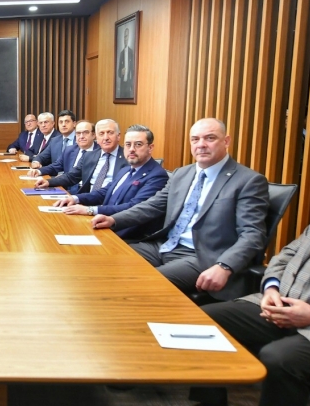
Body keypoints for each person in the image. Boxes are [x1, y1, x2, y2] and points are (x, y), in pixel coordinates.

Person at [194, 153, 310, 406]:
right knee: (205, 320)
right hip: (279, 305)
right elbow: (287, 254)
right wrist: (271, 287)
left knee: (278, 358)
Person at [91, 118, 269, 300]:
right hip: (163, 246)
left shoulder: (248, 181)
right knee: (105, 260)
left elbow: (252, 234)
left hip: (201, 256)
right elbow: (152, 205)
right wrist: (114, 219)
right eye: (195, 139)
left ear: (226, 141)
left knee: (142, 283)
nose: (201, 145)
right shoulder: (182, 173)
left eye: (210, 138)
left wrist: (224, 266)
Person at [53, 125, 169, 241]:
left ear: (150, 148)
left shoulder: (157, 175)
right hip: (103, 224)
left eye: (138, 144)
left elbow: (133, 207)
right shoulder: (126, 169)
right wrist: (75, 198)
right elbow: (104, 192)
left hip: (124, 234)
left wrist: (90, 210)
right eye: (128, 144)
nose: (132, 149)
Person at [35, 118, 127, 195]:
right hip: (86, 200)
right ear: (97, 137)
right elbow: (72, 176)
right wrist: (48, 182)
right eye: (101, 134)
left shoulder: (127, 158)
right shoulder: (90, 155)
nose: (106, 137)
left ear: (118, 136)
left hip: (109, 205)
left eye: (110, 133)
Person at [27, 120, 100, 193]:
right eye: (78, 133)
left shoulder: (100, 153)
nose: (81, 136)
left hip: (87, 193)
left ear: (93, 135)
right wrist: (38, 171)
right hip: (67, 188)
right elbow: (56, 166)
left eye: (85, 133)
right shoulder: (70, 150)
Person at [117, 27, 134, 98]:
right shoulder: (121, 53)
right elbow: (118, 73)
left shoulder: (131, 52)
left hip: (129, 85)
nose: (125, 38)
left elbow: (133, 71)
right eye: (124, 36)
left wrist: (132, 85)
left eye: (127, 36)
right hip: (122, 86)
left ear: (129, 37)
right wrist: (121, 72)